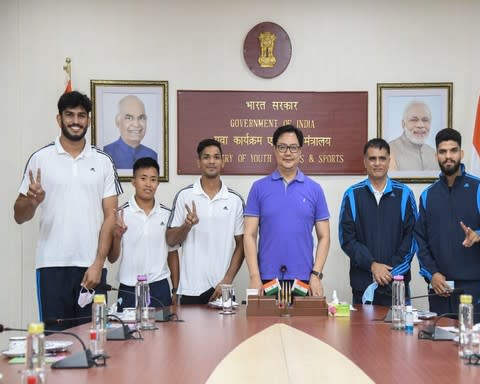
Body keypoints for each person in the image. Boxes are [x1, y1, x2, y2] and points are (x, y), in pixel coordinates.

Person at [14, 91, 122, 328]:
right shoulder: (40, 158)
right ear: (59, 119)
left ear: (89, 121)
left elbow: (110, 217)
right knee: (55, 341)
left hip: (91, 267)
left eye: (81, 116)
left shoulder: (103, 161)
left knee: (94, 340)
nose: (76, 121)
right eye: (69, 115)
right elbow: (19, 216)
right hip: (52, 265)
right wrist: (32, 201)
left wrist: (98, 263)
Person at [415, 128, 480, 315]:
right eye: (443, 151)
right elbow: (420, 241)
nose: (448, 156)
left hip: (472, 287)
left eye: (453, 151)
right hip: (439, 287)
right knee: (439, 342)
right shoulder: (428, 196)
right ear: (436, 155)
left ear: (461, 154)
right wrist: (432, 275)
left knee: (472, 343)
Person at [244, 124, 330, 296]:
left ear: (300, 151)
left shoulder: (315, 189)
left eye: (293, 147)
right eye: (282, 147)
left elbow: (325, 236)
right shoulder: (258, 188)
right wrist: (254, 276)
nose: (288, 153)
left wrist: (316, 275)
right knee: (264, 324)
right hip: (266, 279)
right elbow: (249, 234)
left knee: (304, 324)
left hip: (304, 279)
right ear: (275, 150)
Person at [339, 138, 417, 305]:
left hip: (397, 285)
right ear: (365, 162)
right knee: (362, 332)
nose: (377, 163)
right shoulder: (352, 195)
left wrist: (390, 271)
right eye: (372, 158)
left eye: (382, 158)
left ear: (389, 161)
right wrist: (373, 265)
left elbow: (412, 238)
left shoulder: (405, 194)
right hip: (363, 286)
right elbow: (347, 239)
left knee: (400, 331)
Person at [166, 139, 244, 304]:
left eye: (216, 157)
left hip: (223, 288)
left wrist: (228, 279)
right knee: (189, 331)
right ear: (198, 162)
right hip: (190, 289)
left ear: (222, 161)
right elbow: (170, 240)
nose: (211, 161)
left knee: (228, 331)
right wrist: (186, 226)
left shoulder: (235, 200)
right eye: (206, 157)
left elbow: (242, 244)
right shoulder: (184, 196)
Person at [108, 157, 179, 311]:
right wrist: (117, 236)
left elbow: (172, 254)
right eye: (143, 178)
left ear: (158, 183)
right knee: (130, 333)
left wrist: (175, 289)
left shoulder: (167, 214)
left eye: (153, 179)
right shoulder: (121, 214)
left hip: (159, 287)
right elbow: (112, 258)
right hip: (129, 287)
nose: (148, 184)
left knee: (164, 333)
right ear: (133, 181)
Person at [103, 95, 158, 169]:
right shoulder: (105, 153)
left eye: (141, 118)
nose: (136, 124)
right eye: (129, 118)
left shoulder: (153, 155)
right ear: (117, 121)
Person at [389, 101, 438, 171]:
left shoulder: (432, 152)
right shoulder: (390, 150)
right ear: (403, 124)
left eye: (425, 120)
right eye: (414, 120)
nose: (420, 125)